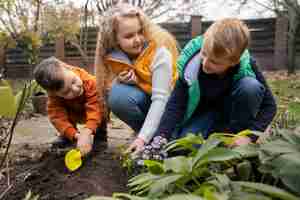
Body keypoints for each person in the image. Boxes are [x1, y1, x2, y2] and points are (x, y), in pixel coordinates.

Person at [154, 18, 277, 146]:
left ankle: (234, 141)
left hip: (233, 118)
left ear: (233, 62)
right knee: (184, 147)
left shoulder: (247, 66)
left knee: (250, 87)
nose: (205, 63)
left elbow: (270, 106)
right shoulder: (191, 66)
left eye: (215, 62)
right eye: (204, 53)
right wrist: (161, 136)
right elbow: (175, 104)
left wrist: (249, 136)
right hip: (203, 115)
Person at [94, 3, 179, 154]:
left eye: (140, 32)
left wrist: (142, 138)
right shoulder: (114, 56)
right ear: (115, 39)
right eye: (129, 36)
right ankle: (147, 135)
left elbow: (162, 98)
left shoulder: (159, 51)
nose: (138, 40)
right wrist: (123, 81)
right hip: (149, 101)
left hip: (170, 108)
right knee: (118, 94)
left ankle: (156, 136)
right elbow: (105, 89)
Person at [34, 57, 106, 156]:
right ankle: (68, 137)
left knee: (102, 106)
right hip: (74, 112)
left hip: (94, 111)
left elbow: (95, 109)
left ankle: (100, 136)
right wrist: (75, 135)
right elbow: (58, 118)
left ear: (68, 68)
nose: (75, 89)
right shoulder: (54, 97)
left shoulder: (90, 82)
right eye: (67, 92)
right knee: (60, 117)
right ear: (54, 93)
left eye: (73, 81)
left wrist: (87, 132)